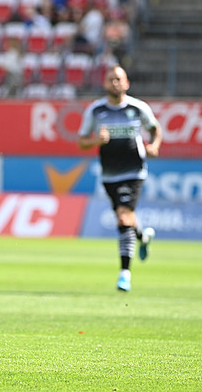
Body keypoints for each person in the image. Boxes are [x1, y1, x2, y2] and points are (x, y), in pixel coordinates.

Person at [77, 65, 162, 292]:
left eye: (119, 79)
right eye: (111, 79)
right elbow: (81, 141)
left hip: (134, 171)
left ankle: (124, 274)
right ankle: (143, 236)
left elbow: (155, 129)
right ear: (105, 83)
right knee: (126, 215)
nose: (115, 83)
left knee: (123, 217)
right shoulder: (96, 110)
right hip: (109, 174)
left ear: (127, 83)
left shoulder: (138, 107)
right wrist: (97, 141)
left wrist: (154, 145)